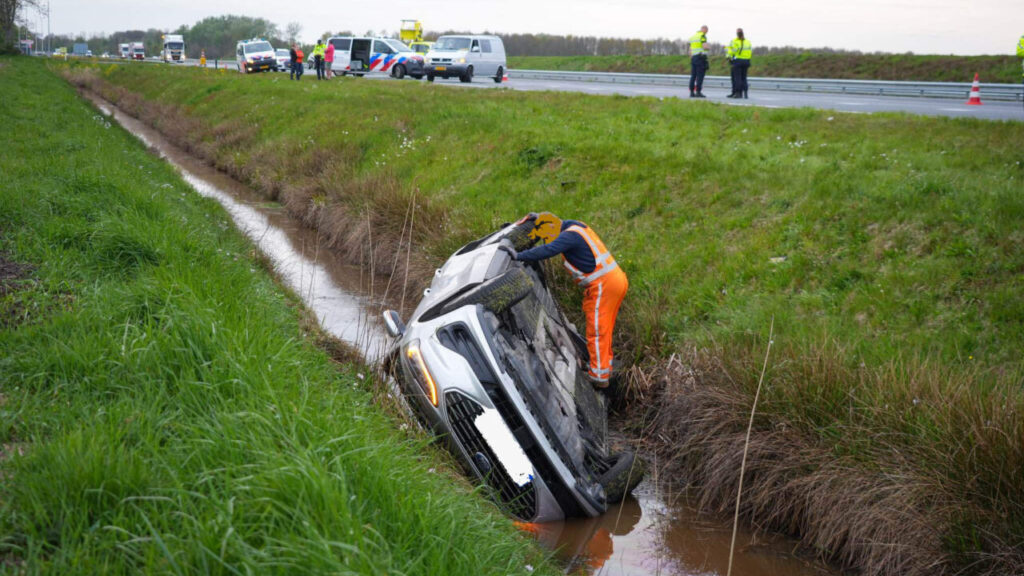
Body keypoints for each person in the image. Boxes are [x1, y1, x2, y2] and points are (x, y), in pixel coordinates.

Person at [508, 213, 629, 388]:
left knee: (597, 330)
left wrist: (519, 256)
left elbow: (548, 250)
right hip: (614, 281)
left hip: (604, 285)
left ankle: (599, 376)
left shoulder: (569, 236)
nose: (548, 239)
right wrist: (538, 216)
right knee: (604, 328)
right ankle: (604, 366)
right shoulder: (575, 226)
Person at [727, 29, 752, 99]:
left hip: (738, 61)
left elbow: (732, 51)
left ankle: (738, 93)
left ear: (737, 34)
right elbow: (750, 51)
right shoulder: (748, 42)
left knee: (737, 78)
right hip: (746, 61)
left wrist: (729, 58)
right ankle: (745, 93)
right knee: (744, 77)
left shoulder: (734, 41)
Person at [688, 25, 709, 98]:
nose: (707, 32)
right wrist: (708, 48)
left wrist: (691, 58)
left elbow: (690, 50)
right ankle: (698, 92)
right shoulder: (702, 36)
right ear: (704, 29)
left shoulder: (693, 37)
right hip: (700, 58)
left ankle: (691, 92)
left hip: (694, 58)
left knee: (693, 75)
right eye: (707, 31)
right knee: (700, 75)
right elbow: (705, 47)